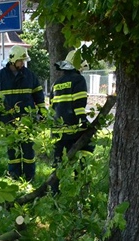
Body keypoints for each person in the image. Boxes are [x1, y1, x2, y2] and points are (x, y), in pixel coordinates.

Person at [0, 45, 46, 181]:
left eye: (24, 61)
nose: (23, 63)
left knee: (28, 149)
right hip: (7, 119)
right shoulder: (0, 76)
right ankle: (14, 176)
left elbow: (39, 96)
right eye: (21, 60)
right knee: (12, 149)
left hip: (27, 119)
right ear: (13, 60)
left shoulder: (30, 76)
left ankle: (29, 176)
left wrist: (42, 112)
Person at [49, 50, 92, 194]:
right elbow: (79, 105)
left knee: (57, 161)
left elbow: (52, 106)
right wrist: (84, 121)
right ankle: (80, 188)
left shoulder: (57, 82)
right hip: (72, 129)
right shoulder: (78, 80)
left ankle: (54, 190)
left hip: (57, 130)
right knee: (83, 154)